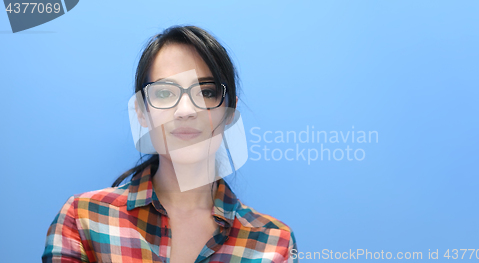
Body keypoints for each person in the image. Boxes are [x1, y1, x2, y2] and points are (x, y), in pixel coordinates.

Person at [42, 25, 298, 263]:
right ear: (141, 111)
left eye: (206, 92)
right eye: (164, 93)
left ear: (230, 112)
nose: (186, 110)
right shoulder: (84, 220)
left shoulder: (273, 242)